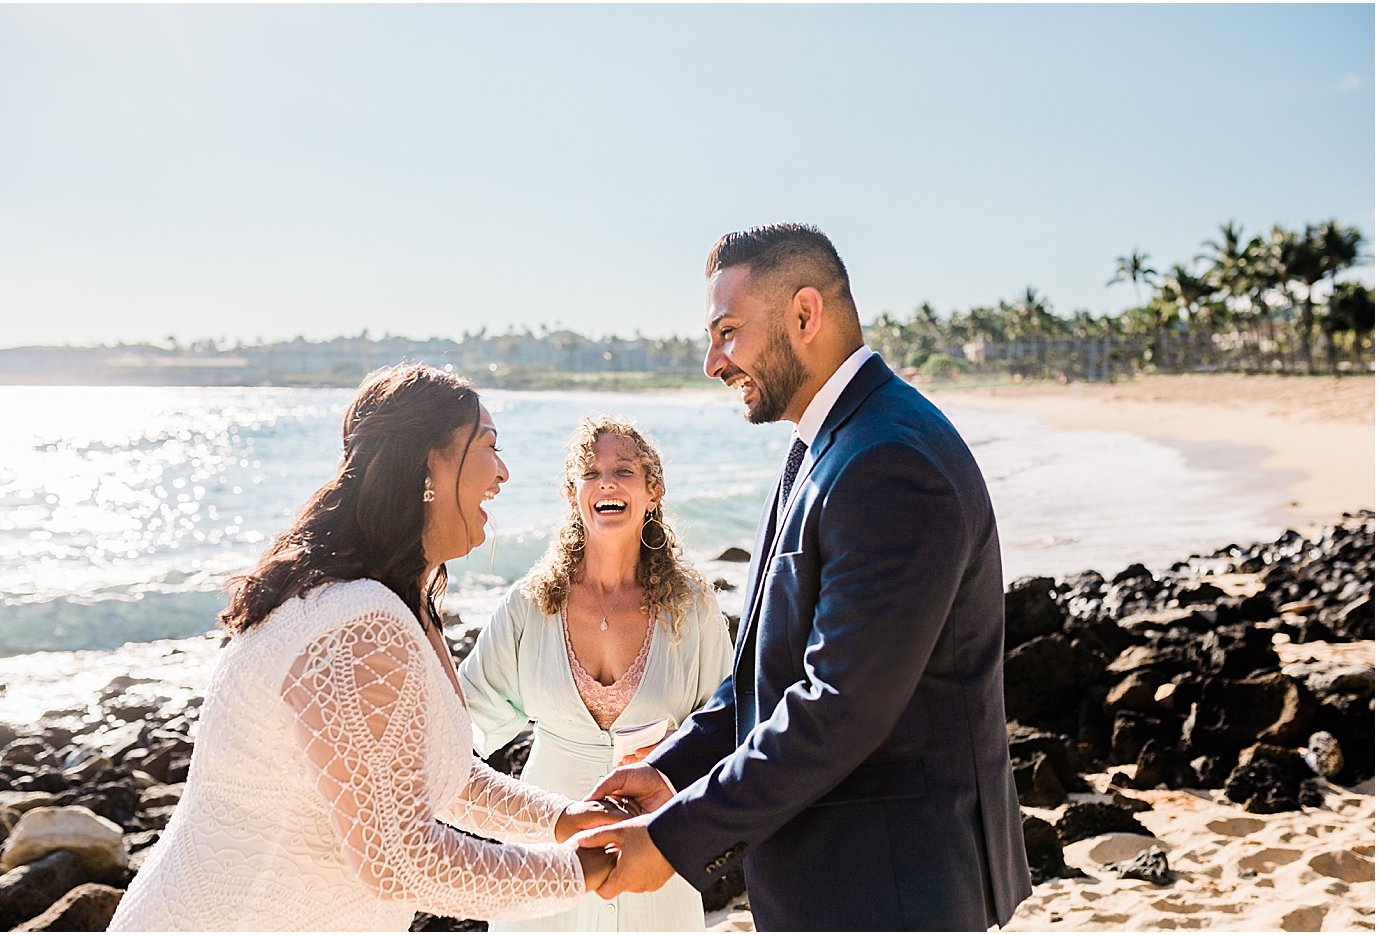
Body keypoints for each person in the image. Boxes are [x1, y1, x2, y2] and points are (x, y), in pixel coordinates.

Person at [578, 224, 1033, 930]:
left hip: (890, 888)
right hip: (846, 882)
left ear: (804, 314)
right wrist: (673, 770)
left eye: (727, 331)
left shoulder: (888, 459)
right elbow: (767, 669)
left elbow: (839, 704)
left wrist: (674, 838)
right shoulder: (824, 444)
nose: (711, 361)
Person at [110, 364, 626, 932]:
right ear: (431, 461)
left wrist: (567, 820)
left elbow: (442, 776)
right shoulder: (357, 625)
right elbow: (399, 860)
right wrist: (580, 873)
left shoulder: (385, 599)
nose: (502, 473)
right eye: (489, 446)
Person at [460, 419, 734, 931]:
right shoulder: (528, 606)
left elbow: (727, 728)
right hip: (545, 850)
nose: (606, 482)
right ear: (573, 496)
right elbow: (462, 720)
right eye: (591, 473)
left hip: (655, 848)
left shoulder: (692, 608)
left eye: (623, 471)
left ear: (652, 493)